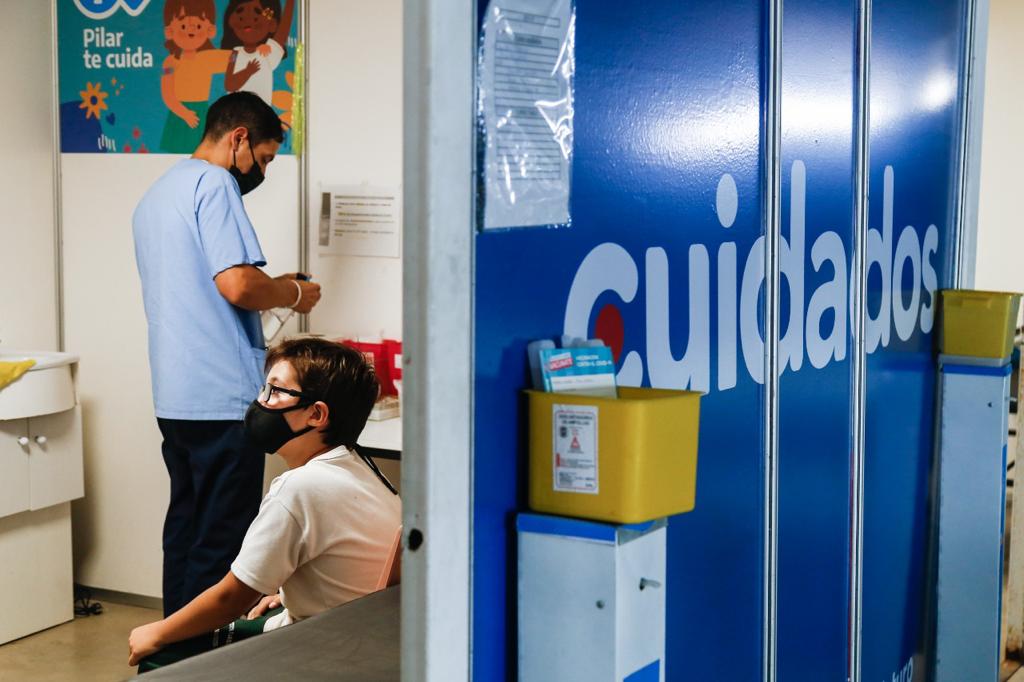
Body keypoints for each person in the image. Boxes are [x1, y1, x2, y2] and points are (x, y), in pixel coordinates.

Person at [133, 91, 321, 618]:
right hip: (221, 396)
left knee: (186, 527)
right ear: (238, 138)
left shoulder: (158, 193)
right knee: (221, 540)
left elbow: (201, 288)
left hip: (175, 395)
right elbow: (238, 285)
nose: (262, 171)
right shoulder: (214, 183)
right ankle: (206, 656)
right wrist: (293, 292)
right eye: (263, 158)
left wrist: (273, 285)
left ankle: (169, 646)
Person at [128, 338, 402, 669]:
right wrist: (289, 595)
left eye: (275, 391)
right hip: (363, 636)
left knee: (159, 658)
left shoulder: (299, 488)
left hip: (324, 651)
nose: (261, 401)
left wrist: (156, 632)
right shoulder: (366, 469)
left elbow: (231, 598)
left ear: (316, 414)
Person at [221, 0, 296, 107]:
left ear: (272, 25)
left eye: (256, 18)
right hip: (235, 112)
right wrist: (248, 71)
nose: (248, 20)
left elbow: (283, 31)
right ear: (231, 21)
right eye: (241, 18)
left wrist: (290, 3)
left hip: (260, 113)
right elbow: (229, 85)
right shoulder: (235, 54)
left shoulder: (266, 53)